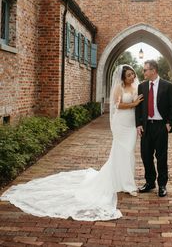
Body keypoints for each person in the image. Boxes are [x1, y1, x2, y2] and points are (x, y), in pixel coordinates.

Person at [0, 64, 143, 221]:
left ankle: (124, 181)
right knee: (121, 151)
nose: (132, 77)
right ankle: (126, 185)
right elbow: (117, 105)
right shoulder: (119, 88)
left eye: (133, 74)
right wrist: (133, 104)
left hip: (131, 124)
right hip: (121, 123)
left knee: (128, 152)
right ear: (123, 77)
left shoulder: (136, 87)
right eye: (129, 75)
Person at [135, 59, 172, 198]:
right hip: (146, 126)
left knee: (161, 156)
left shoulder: (168, 86)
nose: (143, 72)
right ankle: (150, 182)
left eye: (145, 69)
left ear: (153, 70)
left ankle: (162, 185)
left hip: (161, 126)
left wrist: (169, 123)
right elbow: (139, 107)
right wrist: (139, 124)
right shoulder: (142, 86)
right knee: (145, 155)